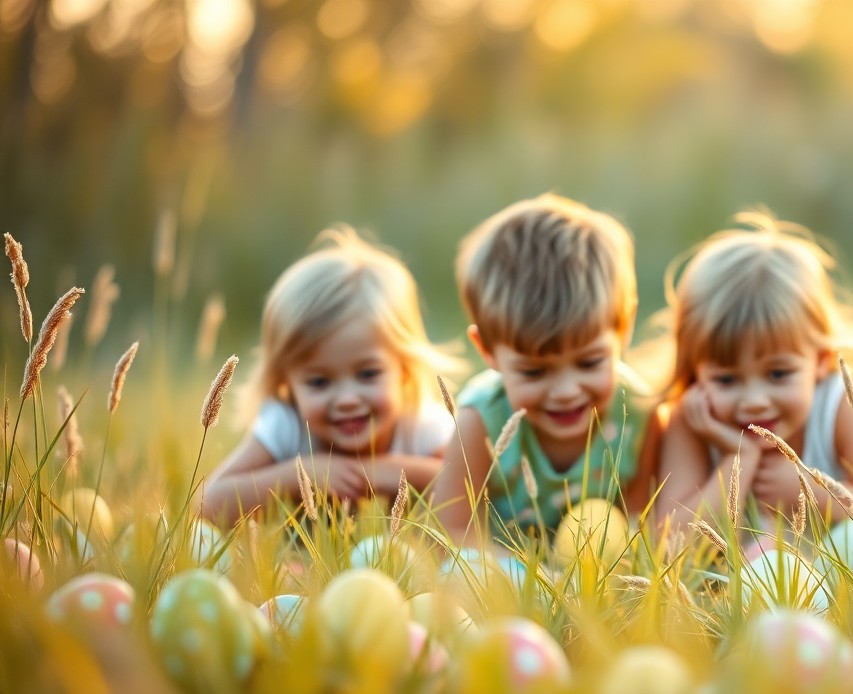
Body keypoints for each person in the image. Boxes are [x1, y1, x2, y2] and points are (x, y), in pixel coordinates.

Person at [654, 212, 853, 555]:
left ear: (819, 360)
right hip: (752, 587)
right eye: (726, 379)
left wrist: (809, 492)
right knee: (767, 563)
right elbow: (668, 545)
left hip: (840, 572)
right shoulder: (693, 420)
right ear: (695, 372)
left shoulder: (840, 403)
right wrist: (737, 459)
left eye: (778, 374)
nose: (754, 401)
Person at [435, 194, 658, 549]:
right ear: (487, 349)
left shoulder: (638, 413)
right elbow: (452, 531)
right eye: (535, 372)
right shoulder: (482, 420)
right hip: (505, 573)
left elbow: (638, 516)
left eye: (589, 363)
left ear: (624, 326)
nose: (567, 391)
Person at [202, 226, 459, 525]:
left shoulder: (421, 424)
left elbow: (474, 488)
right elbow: (207, 504)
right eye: (319, 382)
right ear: (287, 381)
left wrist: (382, 472)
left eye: (367, 374)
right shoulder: (287, 426)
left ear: (403, 368)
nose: (348, 399)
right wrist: (298, 474)